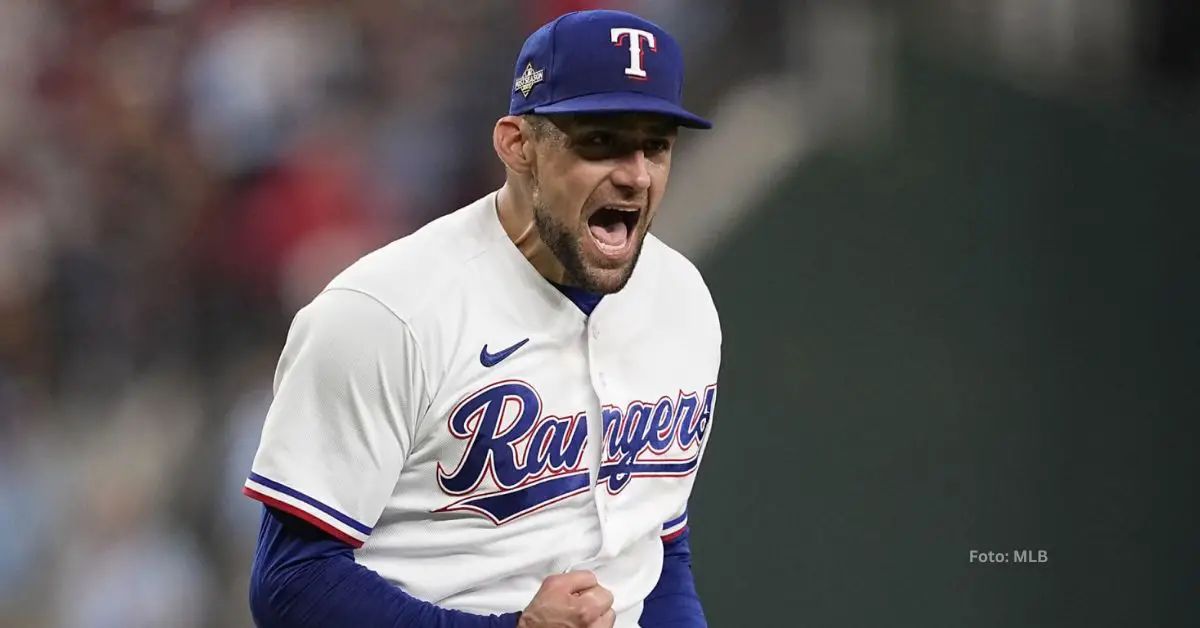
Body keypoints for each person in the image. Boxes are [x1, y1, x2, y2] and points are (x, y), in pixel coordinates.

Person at [242, 9, 721, 628]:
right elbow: (289, 583)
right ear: (517, 145)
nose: (634, 174)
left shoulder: (683, 300)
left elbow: (656, 550)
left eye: (655, 146)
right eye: (600, 141)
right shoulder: (387, 313)